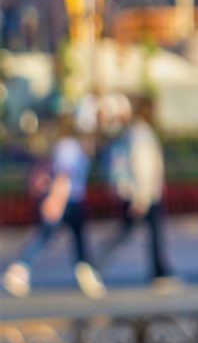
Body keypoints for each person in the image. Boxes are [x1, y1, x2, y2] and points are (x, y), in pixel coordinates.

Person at [2, 115, 106, 299]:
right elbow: (63, 176)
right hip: (66, 201)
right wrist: (56, 201)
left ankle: (85, 272)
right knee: (47, 237)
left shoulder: (68, 147)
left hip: (71, 201)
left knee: (70, 238)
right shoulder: (69, 148)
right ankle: (20, 268)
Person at [96, 96, 178, 289]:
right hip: (143, 194)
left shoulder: (131, 133)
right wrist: (141, 197)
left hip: (141, 192)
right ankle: (97, 262)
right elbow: (143, 166)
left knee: (148, 232)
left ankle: (160, 270)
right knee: (133, 231)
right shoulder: (139, 134)